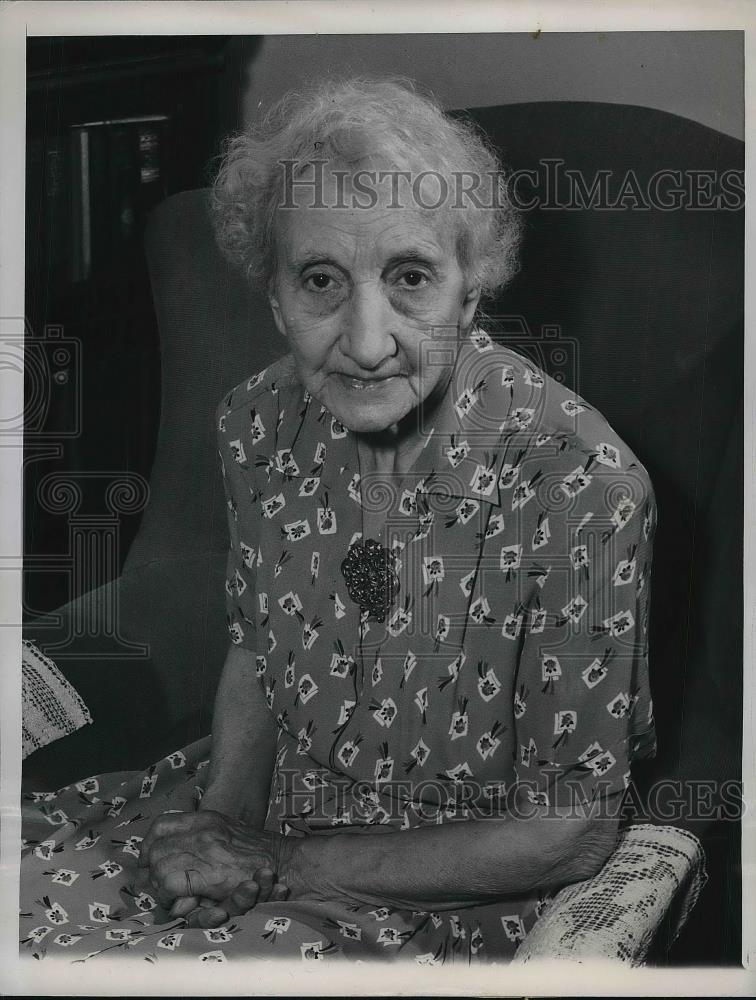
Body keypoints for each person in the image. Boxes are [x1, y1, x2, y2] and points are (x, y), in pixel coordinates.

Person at [20, 77, 657, 966]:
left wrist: (278, 865)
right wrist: (221, 829)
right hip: (274, 817)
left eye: (411, 278)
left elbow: (570, 833)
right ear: (274, 293)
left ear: (470, 291)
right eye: (322, 280)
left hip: (439, 889)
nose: (365, 341)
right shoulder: (256, 420)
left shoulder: (580, 487)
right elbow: (257, 647)